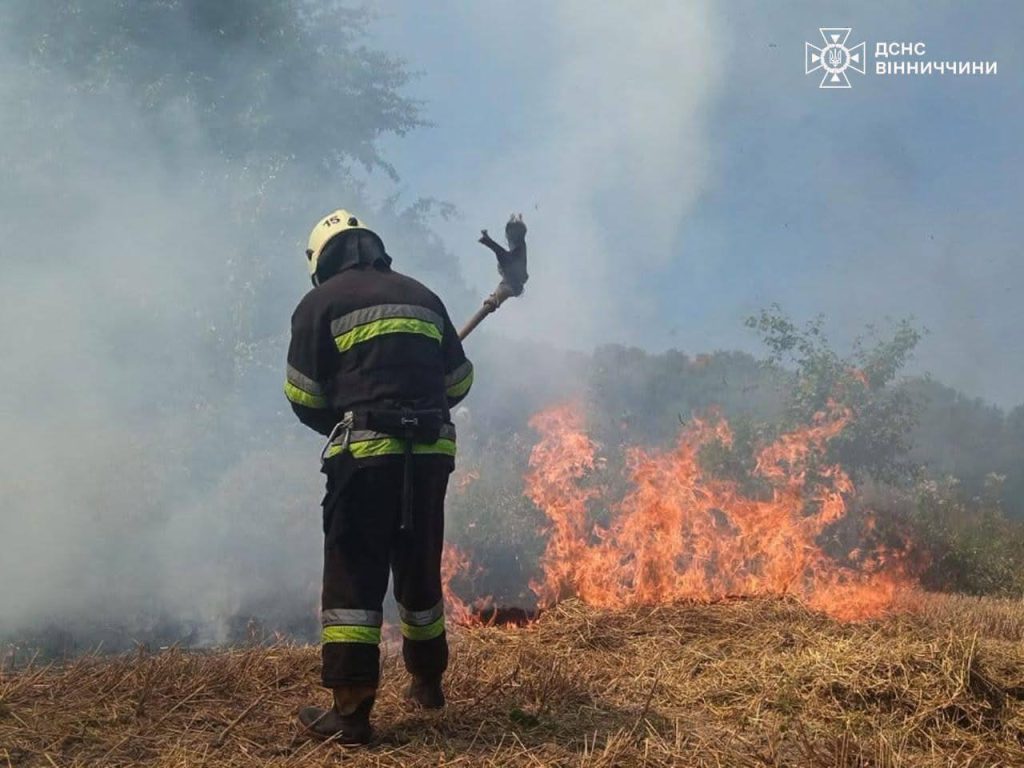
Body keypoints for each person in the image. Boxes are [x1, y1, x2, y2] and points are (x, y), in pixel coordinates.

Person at [284, 209, 474, 744]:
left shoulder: (319, 303)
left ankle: (350, 713)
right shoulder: (424, 296)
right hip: (431, 451)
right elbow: (459, 382)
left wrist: (347, 413)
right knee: (419, 564)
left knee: (354, 575)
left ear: (322, 260)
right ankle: (428, 683)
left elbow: (302, 394)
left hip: (366, 455)